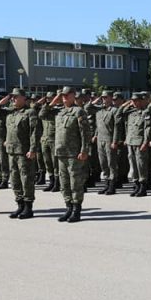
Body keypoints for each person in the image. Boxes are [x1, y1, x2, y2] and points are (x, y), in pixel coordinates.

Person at [40, 86, 90, 223]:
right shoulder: (59, 112)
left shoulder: (79, 111)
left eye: (67, 95)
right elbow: (42, 115)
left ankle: (76, 210)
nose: (64, 97)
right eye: (62, 95)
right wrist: (52, 102)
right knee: (64, 182)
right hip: (61, 153)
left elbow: (85, 133)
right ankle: (68, 207)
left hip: (74, 154)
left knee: (75, 182)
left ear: (74, 96)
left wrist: (84, 150)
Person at [1, 89, 41, 219]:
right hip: (12, 152)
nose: (13, 99)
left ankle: (28, 207)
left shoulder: (30, 113)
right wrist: (7, 97)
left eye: (15, 97)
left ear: (24, 98)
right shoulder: (10, 113)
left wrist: (33, 149)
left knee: (26, 179)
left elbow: (34, 133)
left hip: (24, 152)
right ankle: (20, 205)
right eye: (12, 98)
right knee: (15, 180)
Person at [117, 92, 151, 197]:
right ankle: (136, 184)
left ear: (141, 101)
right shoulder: (131, 113)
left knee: (141, 165)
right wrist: (126, 104)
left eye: (136, 101)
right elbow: (118, 115)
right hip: (130, 142)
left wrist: (145, 142)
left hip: (139, 142)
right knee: (133, 165)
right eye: (133, 101)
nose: (134, 103)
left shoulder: (146, 113)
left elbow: (147, 129)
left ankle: (143, 186)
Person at [92, 91, 119, 195]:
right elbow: (98, 125)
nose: (103, 99)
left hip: (109, 139)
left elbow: (117, 128)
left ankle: (112, 185)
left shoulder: (114, 111)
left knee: (111, 163)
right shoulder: (99, 110)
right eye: (102, 97)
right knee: (103, 163)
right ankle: (106, 183)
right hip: (100, 139)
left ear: (111, 98)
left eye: (105, 97)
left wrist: (115, 141)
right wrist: (95, 135)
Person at [39, 91, 61, 192]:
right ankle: (51, 181)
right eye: (47, 98)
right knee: (47, 162)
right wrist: (49, 104)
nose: (48, 100)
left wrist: (55, 101)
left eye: (50, 98)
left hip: (54, 139)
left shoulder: (60, 110)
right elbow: (41, 114)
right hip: (45, 139)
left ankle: (57, 182)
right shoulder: (46, 109)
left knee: (55, 162)